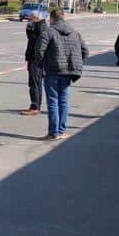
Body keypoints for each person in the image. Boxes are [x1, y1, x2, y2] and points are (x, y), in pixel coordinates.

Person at [34, 8, 88, 140]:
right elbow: (85, 51)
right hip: (69, 71)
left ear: (51, 18)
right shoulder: (75, 33)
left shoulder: (49, 31)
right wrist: (74, 62)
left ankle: (53, 132)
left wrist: (41, 66)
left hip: (52, 70)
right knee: (63, 102)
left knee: (53, 102)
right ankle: (62, 130)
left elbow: (39, 51)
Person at [21, 10, 46, 116]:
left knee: (34, 83)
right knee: (36, 83)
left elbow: (35, 44)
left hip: (36, 60)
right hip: (35, 59)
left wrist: (30, 29)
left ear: (35, 18)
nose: (29, 20)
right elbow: (30, 39)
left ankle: (35, 106)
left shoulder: (40, 28)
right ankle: (36, 105)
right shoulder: (38, 26)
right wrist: (29, 30)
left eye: (30, 18)